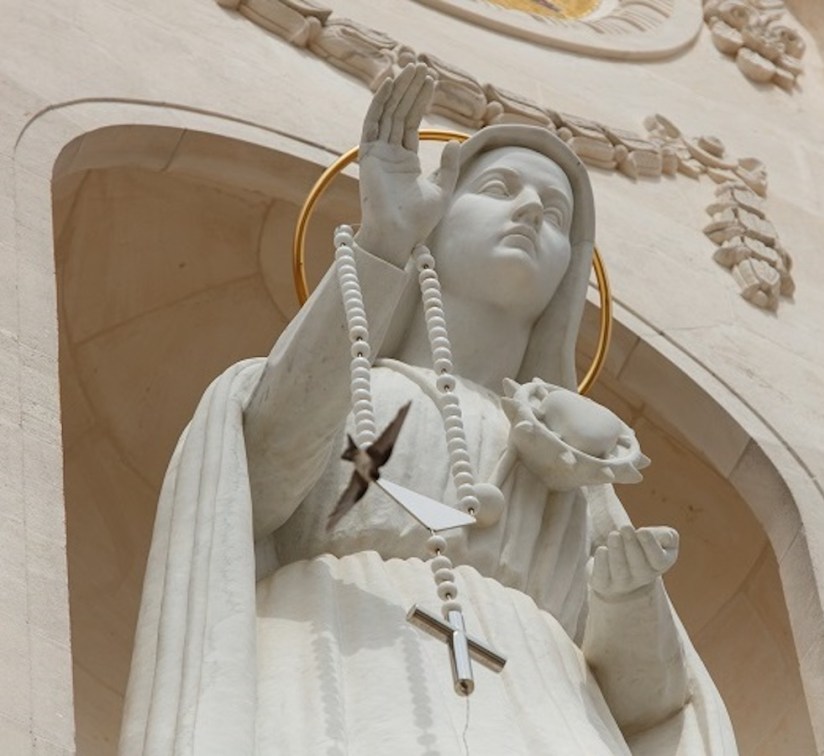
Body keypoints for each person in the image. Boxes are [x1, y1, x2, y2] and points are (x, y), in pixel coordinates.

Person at [119, 63, 738, 756]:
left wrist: (628, 600)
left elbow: (651, 703)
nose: (532, 211)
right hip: (346, 666)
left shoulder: (577, 467)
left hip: (549, 709)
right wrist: (384, 240)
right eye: (501, 189)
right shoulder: (354, 388)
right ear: (436, 218)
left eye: (556, 213)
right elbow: (258, 484)